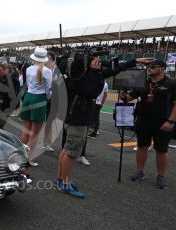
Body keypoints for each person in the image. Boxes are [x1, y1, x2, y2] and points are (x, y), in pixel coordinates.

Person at [55, 55, 151, 198]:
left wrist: (134, 61)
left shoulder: (83, 74)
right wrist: (99, 77)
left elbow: (115, 69)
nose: (100, 63)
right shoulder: (81, 78)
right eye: (96, 61)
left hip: (73, 117)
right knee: (71, 153)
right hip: (77, 119)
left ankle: (60, 179)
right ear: (87, 64)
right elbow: (92, 92)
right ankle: (65, 182)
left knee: (67, 149)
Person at [120, 59, 176, 190]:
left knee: (161, 150)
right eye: (148, 66)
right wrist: (124, 96)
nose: (149, 68)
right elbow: (129, 98)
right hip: (143, 121)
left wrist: (171, 121)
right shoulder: (143, 82)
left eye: (152, 66)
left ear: (162, 68)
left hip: (162, 122)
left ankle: (161, 176)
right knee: (141, 146)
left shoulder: (172, 83)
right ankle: (140, 172)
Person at [19, 47, 52, 166]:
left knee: (26, 129)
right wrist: (47, 98)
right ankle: (29, 158)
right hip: (39, 98)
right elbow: (48, 89)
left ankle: (21, 155)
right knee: (35, 132)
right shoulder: (47, 71)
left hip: (28, 96)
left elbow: (27, 84)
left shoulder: (28, 68)